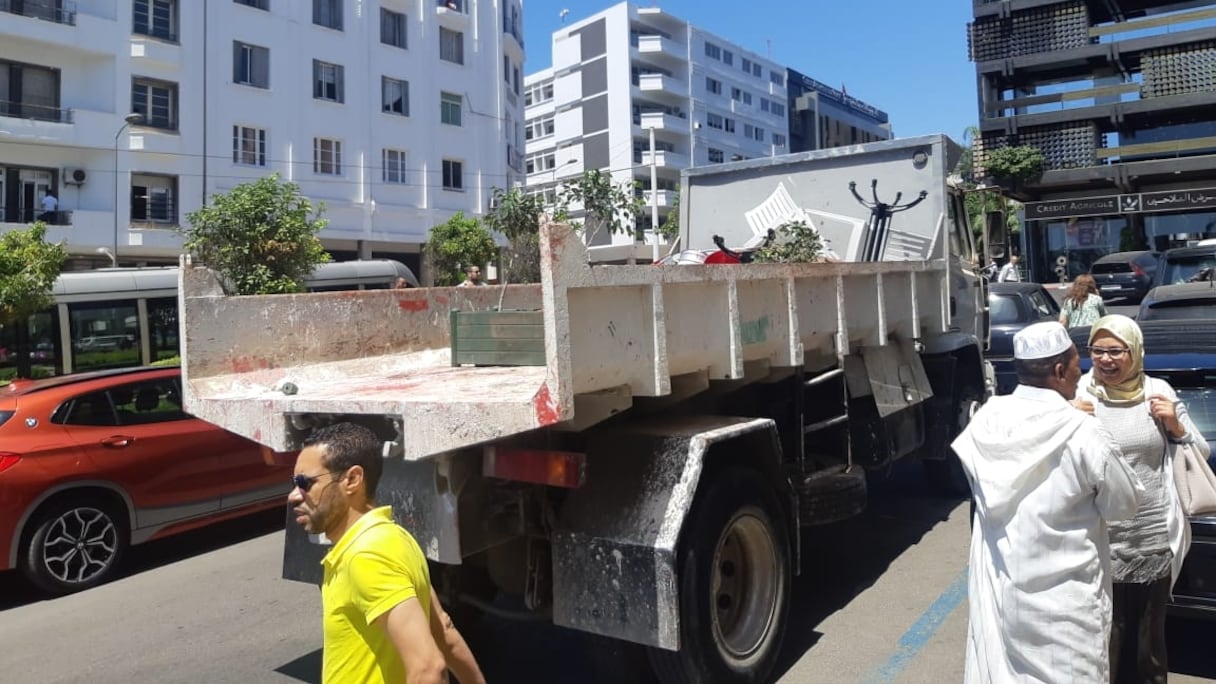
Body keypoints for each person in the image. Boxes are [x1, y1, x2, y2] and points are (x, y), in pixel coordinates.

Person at [951, 321, 1143, 683]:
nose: (1081, 371)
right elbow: (1124, 505)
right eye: (1076, 363)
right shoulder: (1083, 431)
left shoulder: (985, 421)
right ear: (1058, 371)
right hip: (1065, 608)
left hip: (1004, 596)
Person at [289, 422, 486, 684]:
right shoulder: (394, 537)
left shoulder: (366, 556)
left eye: (305, 483)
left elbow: (428, 668)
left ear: (352, 480)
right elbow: (444, 634)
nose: (293, 495)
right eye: (294, 483)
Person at [1074, 315, 1207, 684]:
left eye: (1115, 351)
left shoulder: (1157, 390)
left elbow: (1200, 451)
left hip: (1153, 538)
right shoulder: (1080, 394)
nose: (1105, 360)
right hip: (1100, 538)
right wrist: (1068, 423)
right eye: (1097, 351)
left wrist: (1177, 426)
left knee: (1150, 641)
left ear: (1134, 352)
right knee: (1107, 637)